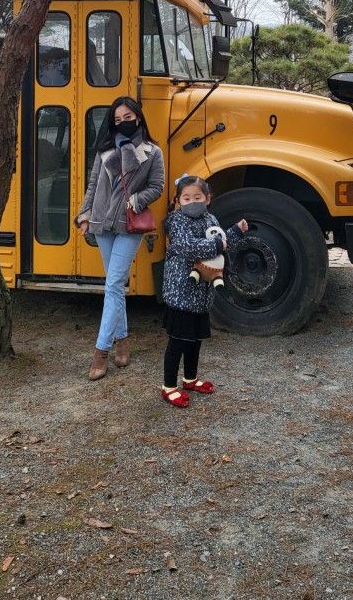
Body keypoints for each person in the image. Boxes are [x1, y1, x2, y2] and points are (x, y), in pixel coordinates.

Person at [75, 97, 164, 380]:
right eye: (116, 120)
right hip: (102, 222)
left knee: (113, 283)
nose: (122, 122)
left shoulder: (152, 152)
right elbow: (93, 185)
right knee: (115, 285)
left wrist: (136, 200)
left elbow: (157, 186)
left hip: (129, 224)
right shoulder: (104, 150)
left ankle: (101, 352)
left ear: (137, 118)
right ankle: (123, 340)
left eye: (127, 117)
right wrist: (85, 214)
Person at [160, 175, 248, 408]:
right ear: (178, 201)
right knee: (177, 341)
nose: (192, 202)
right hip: (180, 293)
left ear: (208, 199)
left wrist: (235, 233)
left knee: (195, 341)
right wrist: (220, 244)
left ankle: (190, 378)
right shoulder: (176, 221)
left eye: (197, 197)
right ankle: (168, 386)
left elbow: (221, 245)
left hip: (202, 294)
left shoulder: (211, 218)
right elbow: (188, 246)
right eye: (186, 198)